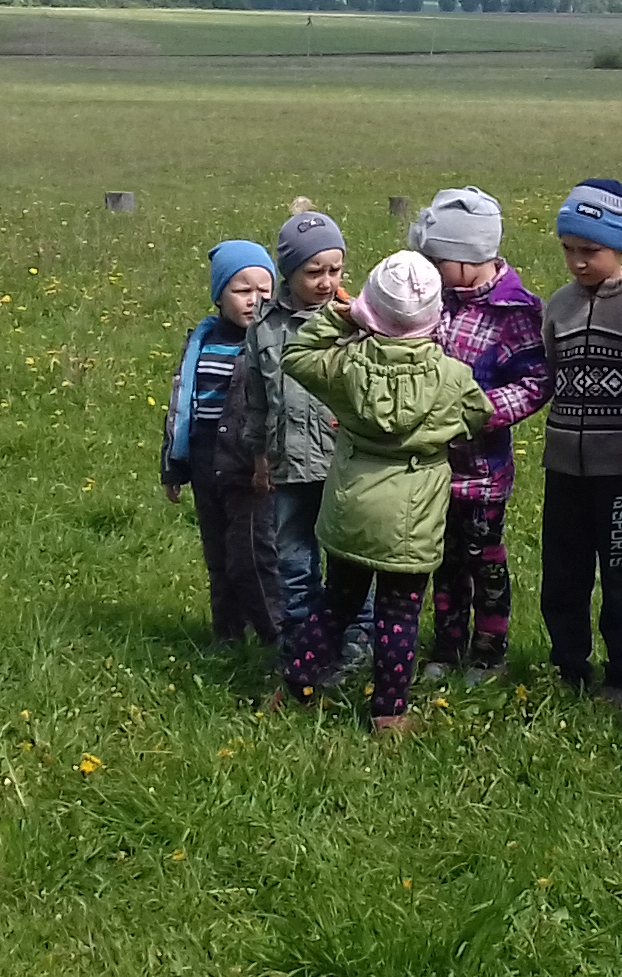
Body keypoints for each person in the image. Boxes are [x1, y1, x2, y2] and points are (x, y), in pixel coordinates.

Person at [279, 251, 494, 734]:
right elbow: (478, 415)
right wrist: (441, 435)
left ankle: (297, 682)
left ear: (368, 311)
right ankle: (389, 713)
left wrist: (338, 316)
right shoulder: (452, 377)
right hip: (412, 519)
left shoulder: (346, 366)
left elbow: (295, 357)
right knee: (400, 617)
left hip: (353, 507)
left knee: (336, 602)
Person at [540, 179, 622, 699]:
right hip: (563, 468)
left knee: (620, 570)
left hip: (620, 470)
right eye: (569, 249)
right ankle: (568, 666)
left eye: (590, 251)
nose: (577, 262)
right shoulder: (558, 307)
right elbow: (552, 371)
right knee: (563, 573)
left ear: (619, 245)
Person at [410, 188, 549, 683]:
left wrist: (481, 411)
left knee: (485, 559)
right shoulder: (435, 300)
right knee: (444, 560)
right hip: (433, 466)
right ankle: (446, 646)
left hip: (483, 472)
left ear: (470, 260)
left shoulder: (514, 312)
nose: (432, 268)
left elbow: (535, 383)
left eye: (440, 259)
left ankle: (490, 649)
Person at [163, 239, 280, 646]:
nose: (254, 300)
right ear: (219, 295)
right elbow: (182, 406)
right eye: (241, 290)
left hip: (250, 464)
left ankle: (277, 636)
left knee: (252, 555)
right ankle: (227, 636)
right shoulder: (202, 341)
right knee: (218, 557)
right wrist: (173, 465)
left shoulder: (272, 342)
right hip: (203, 458)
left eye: (263, 290)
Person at [251, 207, 354, 663]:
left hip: (343, 465)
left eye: (335, 270)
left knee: (351, 561)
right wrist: (259, 459)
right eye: (313, 272)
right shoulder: (265, 328)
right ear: (288, 272)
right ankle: (300, 644)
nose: (326, 281)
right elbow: (256, 399)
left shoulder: (353, 323)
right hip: (288, 468)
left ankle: (355, 645)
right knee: (293, 562)